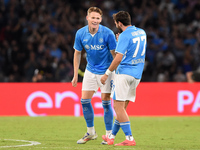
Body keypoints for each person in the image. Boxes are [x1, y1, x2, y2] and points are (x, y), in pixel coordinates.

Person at [100, 11, 147, 146]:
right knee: (122, 109)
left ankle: (129, 138)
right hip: (137, 75)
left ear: (119, 23)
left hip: (124, 74)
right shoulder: (142, 32)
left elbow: (118, 58)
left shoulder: (124, 36)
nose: (116, 25)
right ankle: (111, 136)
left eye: (116, 23)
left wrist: (107, 74)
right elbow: (133, 49)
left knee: (118, 107)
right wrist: (120, 41)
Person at [71, 7, 116, 144]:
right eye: (93, 18)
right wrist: (75, 75)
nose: (95, 20)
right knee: (84, 101)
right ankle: (91, 132)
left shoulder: (108, 33)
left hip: (107, 71)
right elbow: (77, 53)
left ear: (101, 20)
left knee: (106, 103)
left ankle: (108, 135)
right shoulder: (80, 33)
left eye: (98, 18)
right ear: (87, 18)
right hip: (90, 70)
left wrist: (114, 72)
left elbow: (115, 55)